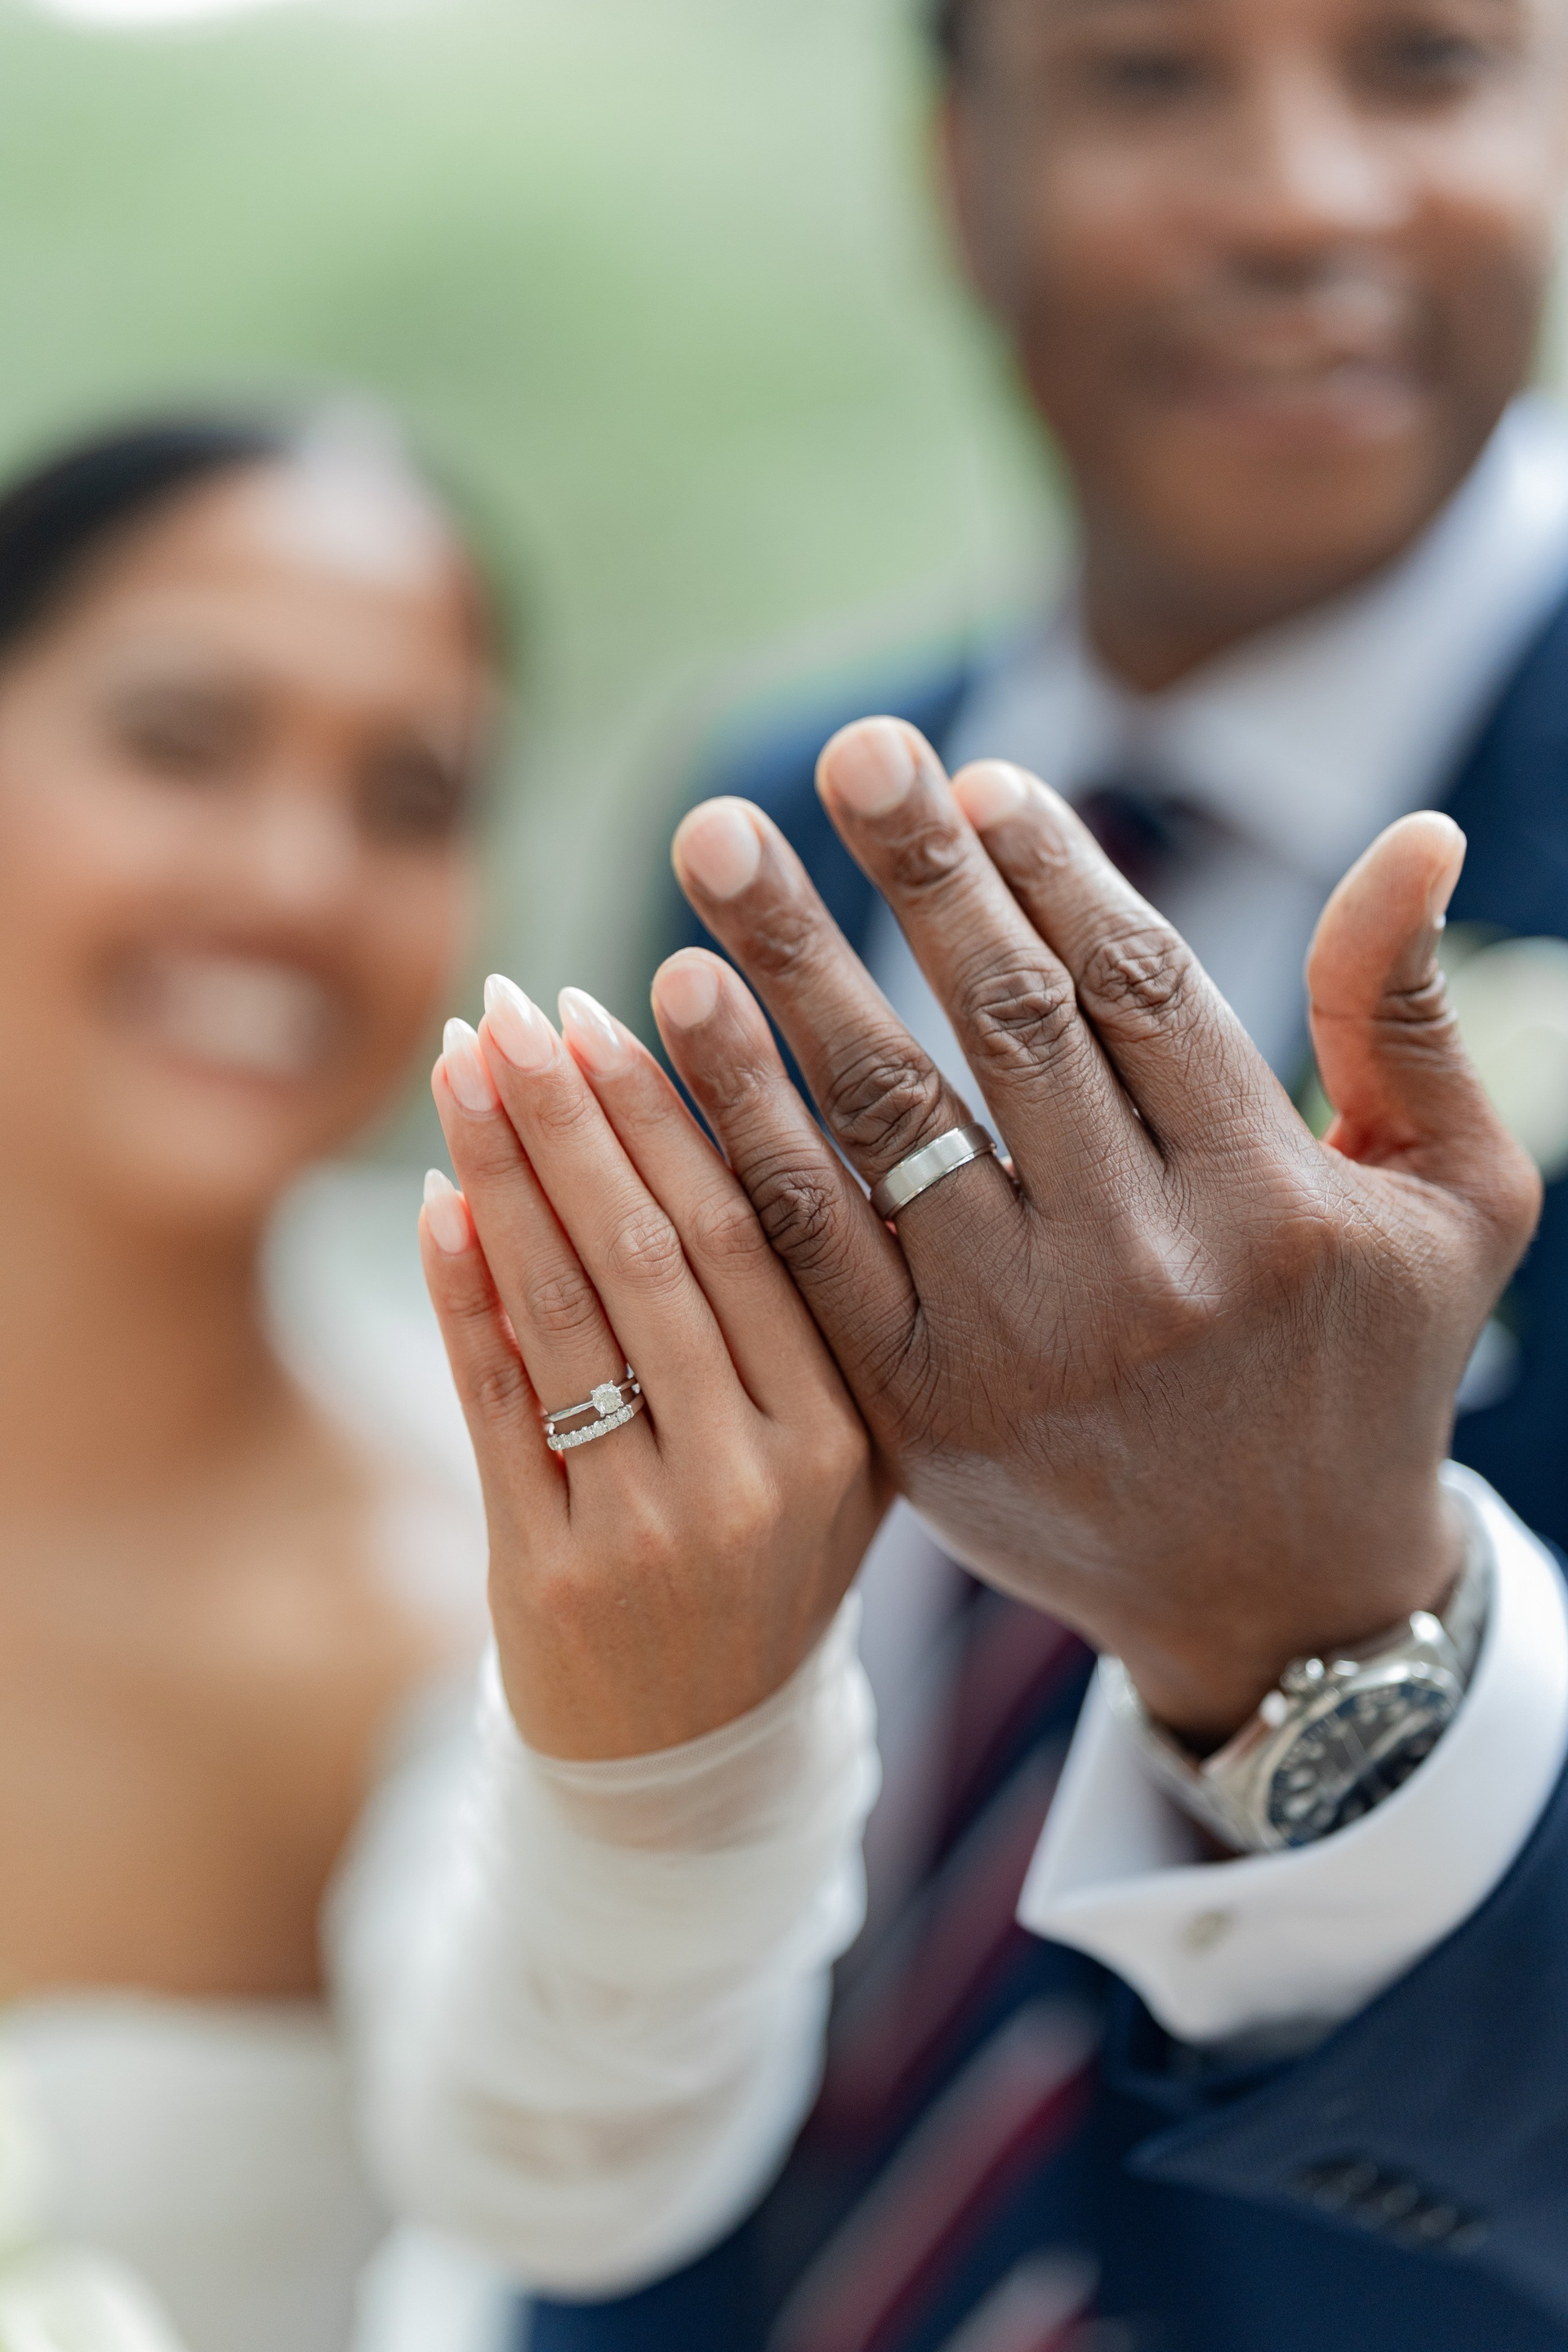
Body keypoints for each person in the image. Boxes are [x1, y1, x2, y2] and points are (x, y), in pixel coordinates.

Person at [501, 0, 1568, 2343]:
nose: (1303, 199)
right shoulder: (771, 829)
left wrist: (1315, 1636)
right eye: (1153, 77)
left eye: (1424, 62)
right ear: (959, 179)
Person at [0, 412, 884, 2352]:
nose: (294, 881)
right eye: (180, 743)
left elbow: (563, 2169)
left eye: (410, 798)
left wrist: (679, 1761)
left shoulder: (464, 1571)